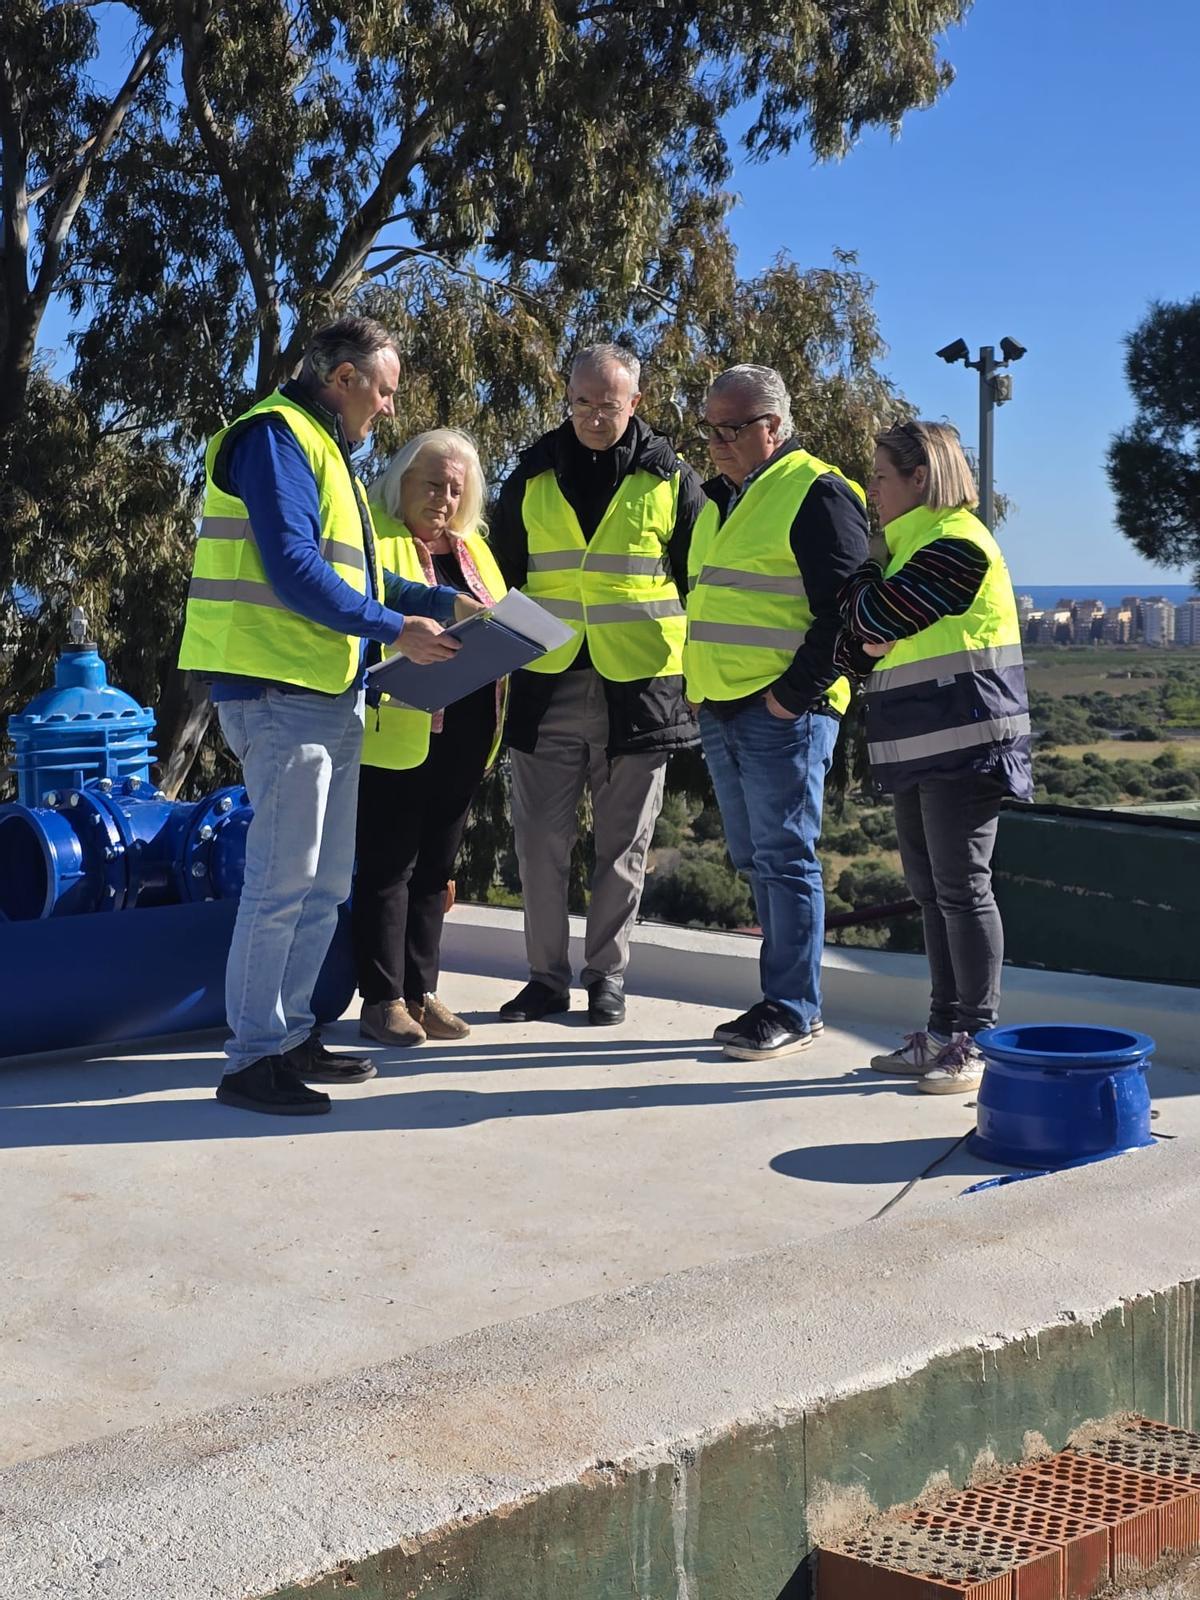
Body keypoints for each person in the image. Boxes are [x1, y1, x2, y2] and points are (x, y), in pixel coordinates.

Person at [178, 316, 482, 1117]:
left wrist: (438, 599)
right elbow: (293, 567)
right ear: (342, 378)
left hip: (326, 694)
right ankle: (250, 1060)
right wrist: (398, 631)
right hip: (278, 695)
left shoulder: (327, 451)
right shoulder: (276, 436)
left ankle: (292, 1036)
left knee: (318, 889)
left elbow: (363, 572)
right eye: (382, 390)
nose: (387, 407)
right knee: (280, 886)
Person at [490, 344, 705, 1025]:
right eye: (580, 403)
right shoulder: (530, 475)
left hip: (639, 689)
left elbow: (703, 584)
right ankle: (544, 979)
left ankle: (606, 977)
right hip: (545, 684)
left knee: (624, 847)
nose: (590, 417)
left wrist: (698, 679)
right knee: (538, 844)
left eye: (606, 406)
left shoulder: (672, 478)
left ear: (635, 403)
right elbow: (497, 582)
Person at [836, 420, 1032, 1094]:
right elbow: (850, 637)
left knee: (961, 889)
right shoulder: (903, 553)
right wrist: (865, 615)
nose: (873, 490)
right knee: (932, 894)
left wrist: (866, 614)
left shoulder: (957, 546)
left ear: (921, 478)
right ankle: (944, 1031)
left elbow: (868, 622)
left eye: (882, 477)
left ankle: (972, 1041)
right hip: (920, 746)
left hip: (966, 746)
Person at [684, 364, 869, 1061]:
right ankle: (781, 1000)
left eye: (731, 428)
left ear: (772, 427)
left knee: (786, 858)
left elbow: (844, 617)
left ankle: (793, 1006)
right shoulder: (721, 499)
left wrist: (790, 696)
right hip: (724, 707)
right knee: (757, 858)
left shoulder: (817, 492)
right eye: (710, 428)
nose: (717, 441)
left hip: (782, 712)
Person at [353, 429, 507, 1047]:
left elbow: (494, 614)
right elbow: (364, 621)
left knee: (436, 869)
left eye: (454, 488)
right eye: (431, 484)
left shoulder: (474, 550)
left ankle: (424, 992)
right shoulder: (377, 541)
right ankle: (381, 999)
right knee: (389, 865)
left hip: (468, 728)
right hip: (399, 727)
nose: (443, 498)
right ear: (400, 483)